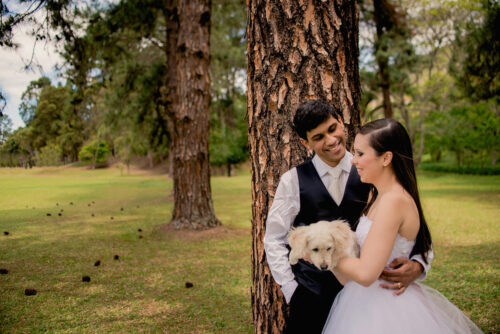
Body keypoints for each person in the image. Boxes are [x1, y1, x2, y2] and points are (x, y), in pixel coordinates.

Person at [263, 100, 432, 334]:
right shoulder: (292, 181)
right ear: (305, 142)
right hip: (312, 297)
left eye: (332, 129)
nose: (331, 141)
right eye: (319, 137)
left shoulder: (373, 173)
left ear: (341, 122)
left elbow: (413, 231)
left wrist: (419, 265)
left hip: (368, 300)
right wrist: (292, 289)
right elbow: (273, 238)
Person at [322, 118, 482, 333]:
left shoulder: (393, 201)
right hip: (359, 299)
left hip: (386, 309)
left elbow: (368, 273)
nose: (353, 160)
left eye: (360, 154)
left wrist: (321, 253)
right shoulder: (377, 194)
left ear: (386, 158)